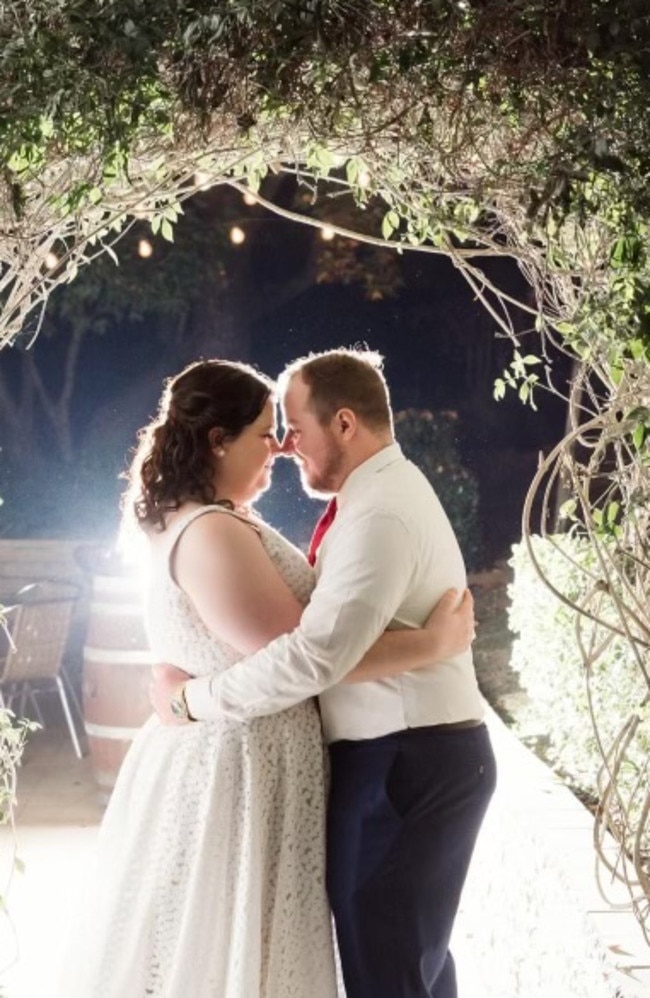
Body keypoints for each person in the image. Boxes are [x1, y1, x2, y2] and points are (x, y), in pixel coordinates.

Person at [56, 358, 475, 998]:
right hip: (242, 769)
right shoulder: (214, 527)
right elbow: (304, 655)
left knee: (393, 962)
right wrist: (431, 643)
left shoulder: (304, 512)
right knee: (271, 951)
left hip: (342, 758)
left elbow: (311, 652)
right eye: (266, 432)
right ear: (219, 440)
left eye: (289, 427)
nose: (281, 446)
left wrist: (190, 696)